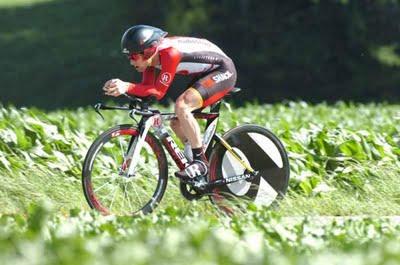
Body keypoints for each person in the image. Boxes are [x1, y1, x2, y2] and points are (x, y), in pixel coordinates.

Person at [102, 25, 237, 181]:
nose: (131, 62)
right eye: (128, 57)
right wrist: (123, 89)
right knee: (176, 122)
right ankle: (195, 159)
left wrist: (127, 86)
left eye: (133, 56)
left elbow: (158, 92)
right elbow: (147, 89)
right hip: (204, 73)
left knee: (182, 106)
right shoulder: (149, 60)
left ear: (148, 51)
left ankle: (200, 162)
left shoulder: (170, 53)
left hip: (223, 70)